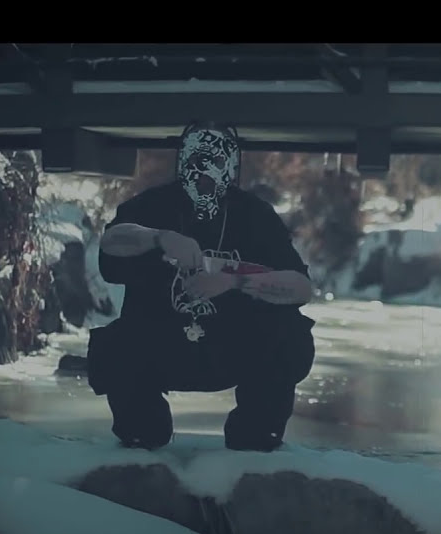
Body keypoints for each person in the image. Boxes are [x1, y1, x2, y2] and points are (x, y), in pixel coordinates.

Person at [87, 122, 316, 452]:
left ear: (231, 167)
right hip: (160, 343)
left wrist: (235, 280)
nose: (203, 171)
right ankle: (142, 431)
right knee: (115, 346)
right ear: (182, 161)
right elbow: (111, 243)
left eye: (214, 161)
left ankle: (255, 436)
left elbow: (301, 287)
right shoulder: (150, 206)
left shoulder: (254, 215)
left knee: (291, 335)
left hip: (234, 346)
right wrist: (159, 238)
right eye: (196, 160)